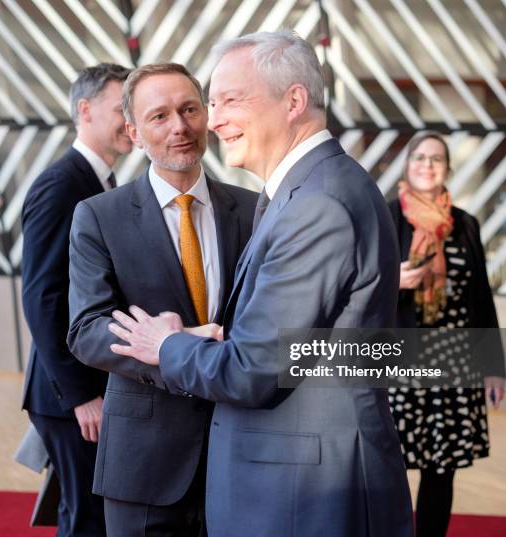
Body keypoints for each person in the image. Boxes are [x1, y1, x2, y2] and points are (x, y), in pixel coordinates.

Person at [106, 31, 414, 537]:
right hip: (297, 476)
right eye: (213, 102)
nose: (215, 118)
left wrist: (166, 344)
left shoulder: (318, 204)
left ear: (293, 101)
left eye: (229, 99)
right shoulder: (303, 191)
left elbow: (253, 370)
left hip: (306, 490)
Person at [66, 63, 257, 537]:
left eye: (190, 109)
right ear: (133, 130)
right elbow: (86, 329)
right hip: (144, 462)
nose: (180, 127)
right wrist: (176, 351)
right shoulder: (98, 216)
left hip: (242, 455)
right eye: (160, 116)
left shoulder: (256, 210)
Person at [21, 63, 132, 537]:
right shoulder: (61, 184)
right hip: (70, 394)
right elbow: (42, 296)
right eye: (120, 109)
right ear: (84, 111)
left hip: (88, 385)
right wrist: (82, 395)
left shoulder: (102, 182)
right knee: (86, 518)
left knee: (86, 512)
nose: (132, 121)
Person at [387, 131, 506, 537]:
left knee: (443, 468)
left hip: (455, 362)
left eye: (436, 158)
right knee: (392, 464)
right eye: (419, 157)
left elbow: (481, 298)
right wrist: (392, 282)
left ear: (448, 170)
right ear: (407, 165)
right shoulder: (386, 218)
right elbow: (357, 286)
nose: (427, 164)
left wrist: (493, 366)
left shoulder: (465, 225)